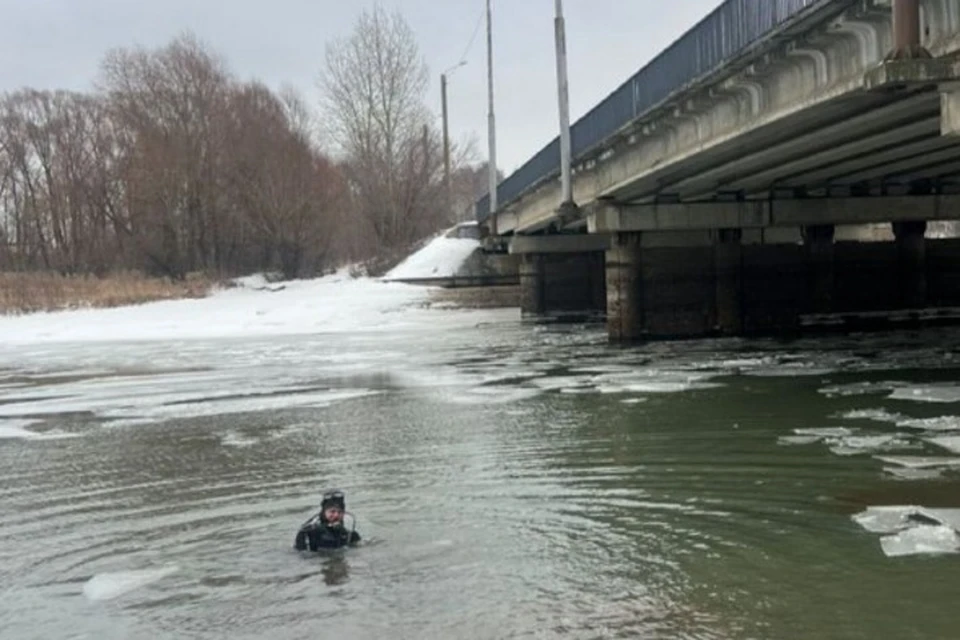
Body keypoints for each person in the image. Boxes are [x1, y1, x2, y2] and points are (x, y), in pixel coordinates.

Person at [294, 489, 361, 551]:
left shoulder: (350, 536)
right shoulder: (308, 533)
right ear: (324, 512)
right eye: (332, 511)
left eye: (340, 512)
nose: (336, 515)